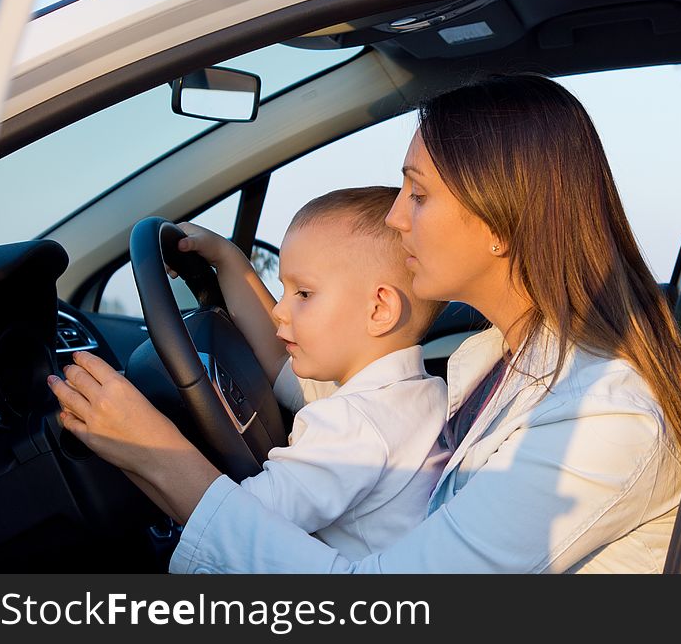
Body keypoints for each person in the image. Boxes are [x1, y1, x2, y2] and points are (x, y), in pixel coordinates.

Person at [48, 73, 681, 574]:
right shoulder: (500, 359)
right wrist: (232, 269)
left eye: (417, 195)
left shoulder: (600, 417)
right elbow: (311, 382)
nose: (396, 219)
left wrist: (159, 454)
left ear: (501, 222)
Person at [73, 186, 451, 560]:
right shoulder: (409, 395)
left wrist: (139, 439)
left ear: (379, 310)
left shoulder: (354, 424)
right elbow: (275, 361)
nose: (279, 312)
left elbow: (236, 523)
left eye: (303, 294)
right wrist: (229, 261)